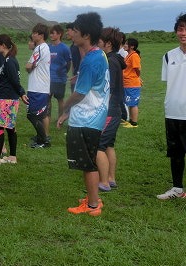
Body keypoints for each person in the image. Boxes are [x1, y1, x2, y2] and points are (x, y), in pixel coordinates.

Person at [57, 12, 109, 216]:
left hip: (88, 117)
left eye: (75, 31)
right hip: (92, 114)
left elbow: (80, 93)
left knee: (87, 163)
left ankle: (93, 205)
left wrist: (65, 108)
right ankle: (92, 197)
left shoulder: (90, 60)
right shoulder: (99, 54)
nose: (72, 34)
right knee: (89, 160)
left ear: (86, 35)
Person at [157, 14, 186, 200]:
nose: (183, 33)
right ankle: (177, 189)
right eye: (180, 29)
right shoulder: (169, 56)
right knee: (176, 153)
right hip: (173, 112)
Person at [0, 35, 28, 166]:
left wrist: (22, 93)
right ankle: (12, 156)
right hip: (9, 98)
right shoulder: (8, 60)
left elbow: (15, 81)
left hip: (7, 99)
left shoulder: (9, 61)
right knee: (10, 128)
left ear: (3, 45)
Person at [96, 27, 126, 192]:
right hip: (114, 110)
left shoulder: (110, 61)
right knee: (109, 145)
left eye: (99, 40)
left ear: (107, 43)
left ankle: (104, 182)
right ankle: (111, 178)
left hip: (108, 110)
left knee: (99, 146)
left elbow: (108, 88)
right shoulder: (115, 59)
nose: (97, 43)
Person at [25, 23, 51, 148]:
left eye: (35, 33)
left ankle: (44, 141)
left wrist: (29, 67)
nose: (32, 35)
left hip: (38, 87)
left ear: (40, 35)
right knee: (36, 115)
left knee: (32, 115)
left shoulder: (40, 48)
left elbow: (28, 66)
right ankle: (41, 138)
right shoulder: (43, 48)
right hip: (39, 87)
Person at [47, 24, 71, 121]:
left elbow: (68, 63)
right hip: (48, 78)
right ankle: (47, 118)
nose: (51, 35)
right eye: (50, 33)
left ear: (59, 34)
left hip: (60, 79)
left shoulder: (64, 48)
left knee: (60, 99)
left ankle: (60, 118)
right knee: (47, 99)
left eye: (53, 33)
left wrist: (63, 72)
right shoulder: (47, 47)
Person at [122, 37, 142, 128]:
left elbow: (137, 69)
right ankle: (130, 121)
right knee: (130, 103)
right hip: (127, 83)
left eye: (126, 44)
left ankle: (134, 123)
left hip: (132, 83)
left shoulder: (134, 56)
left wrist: (137, 78)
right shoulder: (128, 55)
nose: (124, 45)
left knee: (133, 104)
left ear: (132, 46)